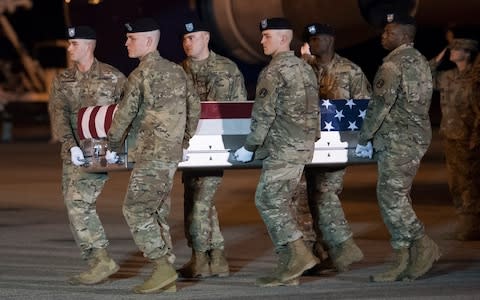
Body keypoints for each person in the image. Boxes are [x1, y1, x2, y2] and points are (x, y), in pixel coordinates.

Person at [105, 17, 200, 294]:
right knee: (156, 211)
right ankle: (166, 275)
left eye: (131, 39)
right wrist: (182, 138)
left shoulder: (140, 75)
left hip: (150, 153)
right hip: (170, 153)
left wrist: (112, 145)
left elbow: (123, 117)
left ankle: (161, 266)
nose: (126, 42)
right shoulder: (177, 72)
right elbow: (194, 108)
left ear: (147, 41)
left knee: (135, 209)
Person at [234, 17, 320, 287]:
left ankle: (299, 254)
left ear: (283, 38)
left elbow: (264, 113)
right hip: (302, 146)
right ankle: (289, 269)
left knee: (268, 200)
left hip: (283, 146)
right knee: (281, 203)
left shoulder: (273, 72)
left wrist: (249, 147)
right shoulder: (306, 69)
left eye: (267, 36)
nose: (262, 41)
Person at [355, 13, 441, 282]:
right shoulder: (420, 62)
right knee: (398, 197)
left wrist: (364, 137)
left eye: (389, 32)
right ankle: (405, 259)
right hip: (414, 138)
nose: (383, 35)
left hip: (397, 140)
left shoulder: (393, 65)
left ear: (404, 36)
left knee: (391, 197)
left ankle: (422, 244)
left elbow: (380, 105)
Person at [48, 25, 126, 285]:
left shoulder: (113, 77)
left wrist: (120, 147)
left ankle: (101, 259)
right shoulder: (62, 80)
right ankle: (96, 260)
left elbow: (128, 114)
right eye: (69, 44)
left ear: (89, 46)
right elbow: (58, 115)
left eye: (74, 44)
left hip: (102, 148)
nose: (69, 48)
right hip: (74, 151)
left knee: (78, 202)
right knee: (74, 204)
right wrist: (70, 145)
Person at [292, 22, 371, 273]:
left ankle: (341, 247)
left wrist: (362, 143)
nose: (314, 43)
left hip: (336, 146)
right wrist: (302, 63)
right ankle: (317, 253)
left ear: (331, 40)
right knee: (303, 199)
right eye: (310, 40)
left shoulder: (351, 71)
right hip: (307, 144)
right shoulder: (304, 69)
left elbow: (364, 109)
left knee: (325, 194)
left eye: (318, 39)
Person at [178, 19, 248, 278]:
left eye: (192, 37)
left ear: (206, 37)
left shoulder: (226, 69)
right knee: (194, 200)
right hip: (187, 148)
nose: (187, 43)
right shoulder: (179, 71)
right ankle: (217, 258)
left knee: (200, 202)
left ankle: (200, 258)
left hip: (214, 147)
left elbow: (239, 109)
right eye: (184, 39)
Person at [430, 27, 480, 240]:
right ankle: (466, 223)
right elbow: (425, 76)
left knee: (470, 183)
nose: (452, 52)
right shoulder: (448, 77)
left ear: (467, 53)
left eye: (456, 49)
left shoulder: (475, 80)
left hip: (468, 139)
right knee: (455, 184)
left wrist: (476, 137)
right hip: (450, 137)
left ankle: (471, 226)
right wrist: (442, 54)